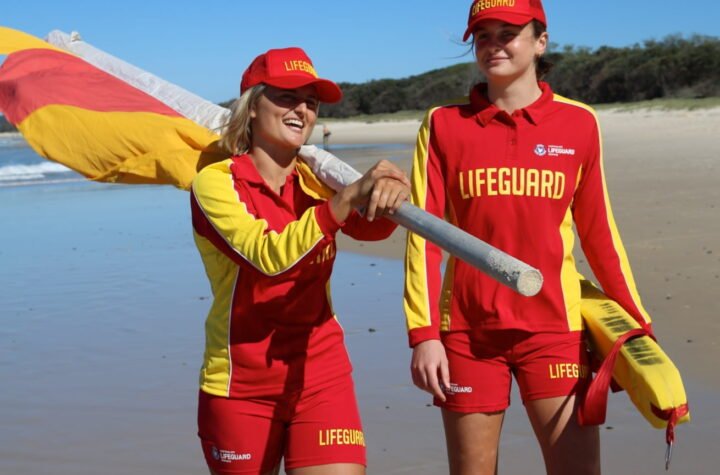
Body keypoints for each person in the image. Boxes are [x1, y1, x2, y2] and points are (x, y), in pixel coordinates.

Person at [403, 1, 653, 474]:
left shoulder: (579, 123)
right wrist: (423, 334)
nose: (493, 44)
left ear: (541, 41)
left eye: (507, 33)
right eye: (482, 36)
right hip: (468, 334)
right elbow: (423, 237)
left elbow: (599, 234)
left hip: (554, 327)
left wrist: (635, 322)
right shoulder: (442, 125)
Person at [191, 46, 410, 475]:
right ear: (252, 107)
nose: (302, 110)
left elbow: (373, 228)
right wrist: (344, 199)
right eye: (287, 97)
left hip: (321, 375)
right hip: (241, 385)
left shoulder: (318, 179)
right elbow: (269, 255)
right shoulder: (215, 184)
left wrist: (391, 192)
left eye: (311, 101)